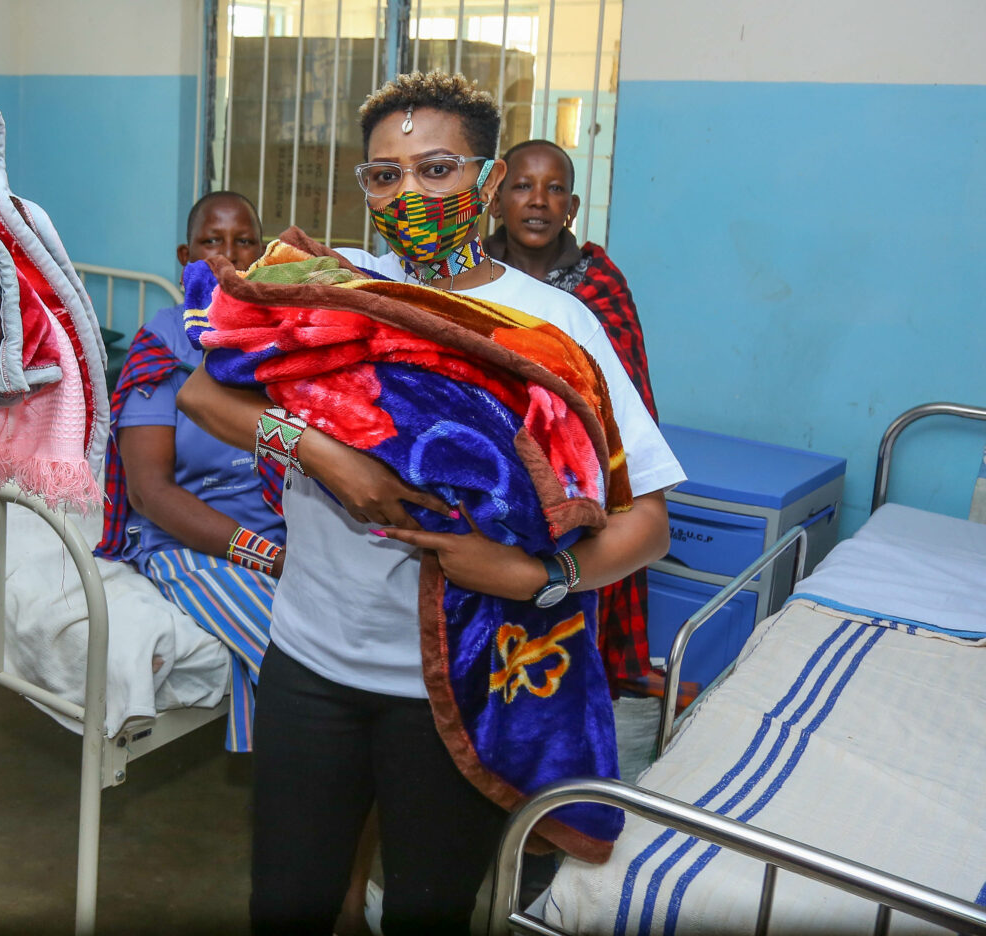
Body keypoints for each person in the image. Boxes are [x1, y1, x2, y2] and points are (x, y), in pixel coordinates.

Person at [179, 72, 683, 935]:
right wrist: (321, 453)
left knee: (425, 910)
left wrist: (536, 575)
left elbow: (648, 523)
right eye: (385, 176)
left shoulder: (551, 326)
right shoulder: (328, 291)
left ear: (483, 183)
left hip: (460, 684)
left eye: (437, 168)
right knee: (284, 905)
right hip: (309, 662)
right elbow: (203, 398)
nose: (409, 192)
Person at [97, 190, 277, 751]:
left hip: (286, 531)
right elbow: (150, 494)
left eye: (244, 241)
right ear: (185, 255)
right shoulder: (164, 346)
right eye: (211, 241)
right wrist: (272, 557)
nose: (228, 255)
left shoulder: (281, 339)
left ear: (263, 253)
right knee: (301, 655)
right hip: (190, 543)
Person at [486, 138, 660, 695]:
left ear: (573, 208)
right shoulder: (468, 279)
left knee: (566, 626)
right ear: (493, 200)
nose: (538, 200)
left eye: (554, 188)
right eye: (521, 186)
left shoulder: (600, 289)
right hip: (493, 467)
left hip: (579, 473)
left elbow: (626, 401)